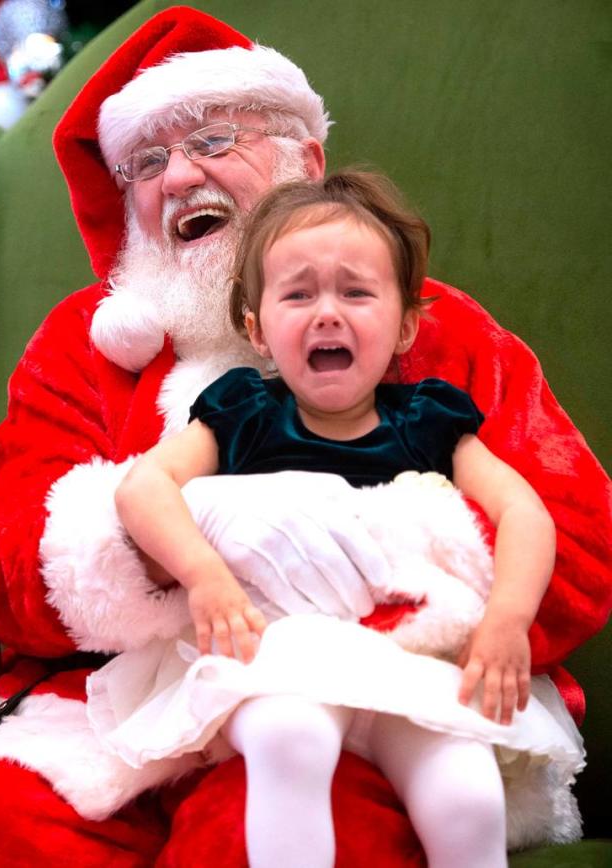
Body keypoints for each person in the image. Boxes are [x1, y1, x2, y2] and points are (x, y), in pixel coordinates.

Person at [0, 8, 611, 867]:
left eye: (215, 137)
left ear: (304, 162)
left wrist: (361, 549)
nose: (180, 174)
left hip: (356, 695)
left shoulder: (414, 323)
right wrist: (171, 554)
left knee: (272, 822)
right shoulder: (83, 348)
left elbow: (576, 535)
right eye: (147, 163)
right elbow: (2, 570)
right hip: (106, 719)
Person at [95, 169, 584, 868]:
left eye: (356, 291)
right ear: (257, 329)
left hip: (403, 666)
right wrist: (204, 575)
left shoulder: (428, 421)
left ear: (406, 323)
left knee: (466, 792)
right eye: (298, 294)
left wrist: (508, 619)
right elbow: (143, 489)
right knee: (291, 737)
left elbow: (523, 511)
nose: (328, 313)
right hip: (279, 659)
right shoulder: (244, 412)